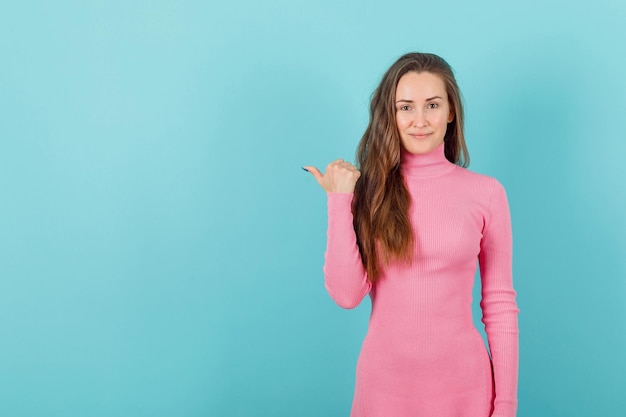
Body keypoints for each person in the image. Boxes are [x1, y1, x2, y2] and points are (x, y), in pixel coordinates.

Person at [303, 52, 519, 417]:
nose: (420, 121)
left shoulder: (487, 193)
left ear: (451, 111)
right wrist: (340, 201)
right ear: (391, 114)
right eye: (406, 107)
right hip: (383, 391)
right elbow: (346, 294)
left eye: (432, 105)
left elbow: (499, 307)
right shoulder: (370, 191)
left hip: (465, 390)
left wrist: (506, 405)